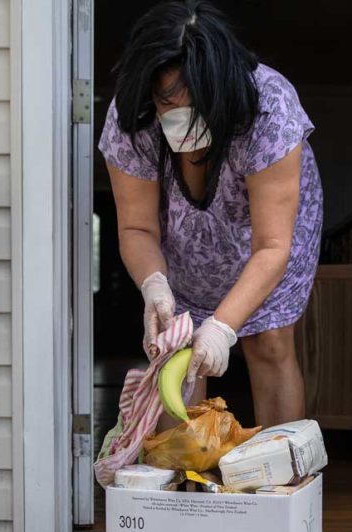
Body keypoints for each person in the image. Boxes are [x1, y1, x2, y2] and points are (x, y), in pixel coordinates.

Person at [98, 0, 323, 428]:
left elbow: (273, 245)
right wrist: (154, 285)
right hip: (179, 229)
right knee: (176, 346)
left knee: (268, 341)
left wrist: (222, 328)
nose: (184, 120)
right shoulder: (132, 116)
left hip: (262, 231)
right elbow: (137, 226)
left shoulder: (270, 109)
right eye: (170, 106)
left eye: (197, 106)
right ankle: (182, 484)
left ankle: (279, 483)